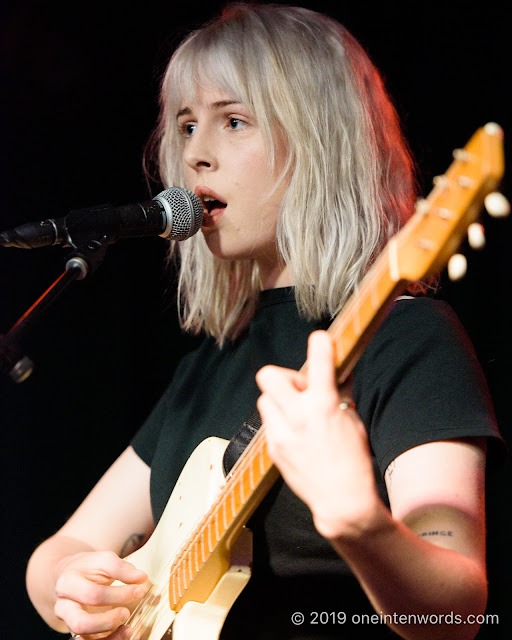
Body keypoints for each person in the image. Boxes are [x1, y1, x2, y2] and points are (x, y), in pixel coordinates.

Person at [25, 3, 503, 639]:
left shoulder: (408, 339)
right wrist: (74, 586)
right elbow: (55, 555)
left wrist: (359, 522)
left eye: (233, 120)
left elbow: (456, 611)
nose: (195, 154)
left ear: (323, 144)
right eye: (186, 126)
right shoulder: (207, 367)